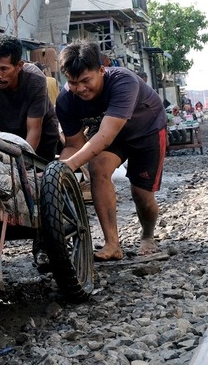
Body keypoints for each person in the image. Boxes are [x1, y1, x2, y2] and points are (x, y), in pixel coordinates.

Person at [55, 40, 167, 262]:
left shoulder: (123, 82)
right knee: (98, 169)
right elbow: (74, 145)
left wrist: (72, 164)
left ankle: (147, 235)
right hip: (111, 136)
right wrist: (58, 169)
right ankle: (112, 244)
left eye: (86, 81)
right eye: (73, 82)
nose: (80, 89)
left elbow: (105, 135)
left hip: (147, 130)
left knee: (141, 194)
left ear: (101, 70)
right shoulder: (66, 100)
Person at [0, 38, 60, 160]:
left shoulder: (35, 80)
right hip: (9, 135)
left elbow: (34, 129)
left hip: (42, 135)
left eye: (4, 69)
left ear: (19, 66)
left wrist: (23, 163)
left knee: (39, 174)